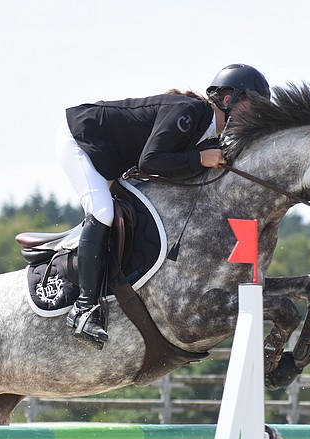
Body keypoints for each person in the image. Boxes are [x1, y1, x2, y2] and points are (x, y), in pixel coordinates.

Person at [57, 63, 271, 349]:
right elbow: (151, 161)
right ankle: (83, 309)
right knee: (102, 211)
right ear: (228, 99)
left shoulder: (209, 134)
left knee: (120, 214)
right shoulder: (189, 113)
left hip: (111, 155)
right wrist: (200, 159)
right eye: (251, 105)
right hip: (82, 138)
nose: (255, 115)